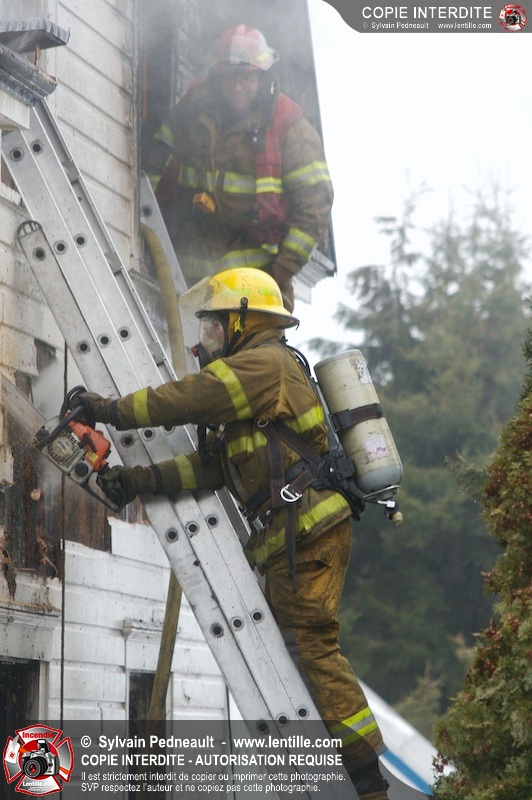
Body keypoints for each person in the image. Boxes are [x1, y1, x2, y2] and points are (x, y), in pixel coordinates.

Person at [74, 268, 390, 800]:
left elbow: (187, 398)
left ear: (244, 321)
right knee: (297, 651)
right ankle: (341, 770)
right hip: (293, 536)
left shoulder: (265, 365)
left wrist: (109, 410)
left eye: (214, 326)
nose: (206, 340)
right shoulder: (252, 389)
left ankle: (366, 781)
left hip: (307, 531)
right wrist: (138, 481)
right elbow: (212, 468)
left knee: (311, 647)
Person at [147, 24, 334, 311]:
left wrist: (279, 273)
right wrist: (143, 219)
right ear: (217, 76)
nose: (236, 87)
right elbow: (156, 159)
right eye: (229, 77)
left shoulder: (290, 126)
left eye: (245, 78)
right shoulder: (194, 107)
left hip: (256, 285)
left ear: (262, 76)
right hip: (188, 278)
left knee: (250, 344)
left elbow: (315, 207)